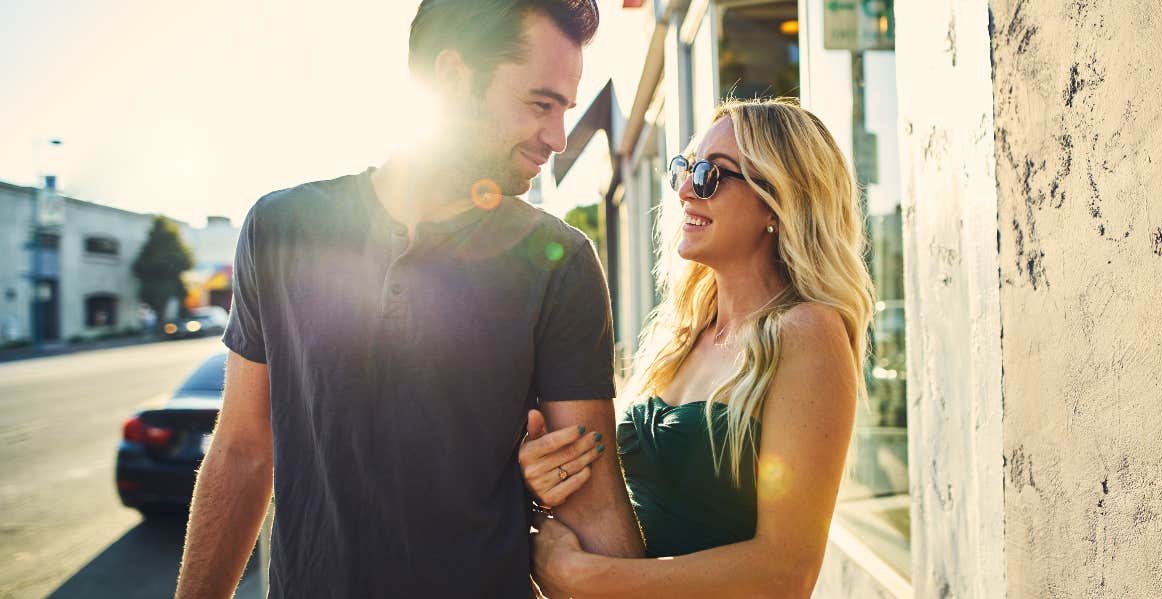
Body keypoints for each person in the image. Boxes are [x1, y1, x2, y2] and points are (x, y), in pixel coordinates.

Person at [174, 2, 643, 597]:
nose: (557, 137)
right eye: (539, 104)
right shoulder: (281, 227)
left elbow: (594, 499)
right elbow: (241, 450)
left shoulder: (561, 262)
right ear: (451, 78)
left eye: (565, 110)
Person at [519, 98, 875, 597]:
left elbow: (787, 572)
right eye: (684, 168)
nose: (685, 189)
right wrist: (549, 476)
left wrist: (585, 578)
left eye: (711, 175)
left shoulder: (806, 331)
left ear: (777, 202)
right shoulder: (680, 336)